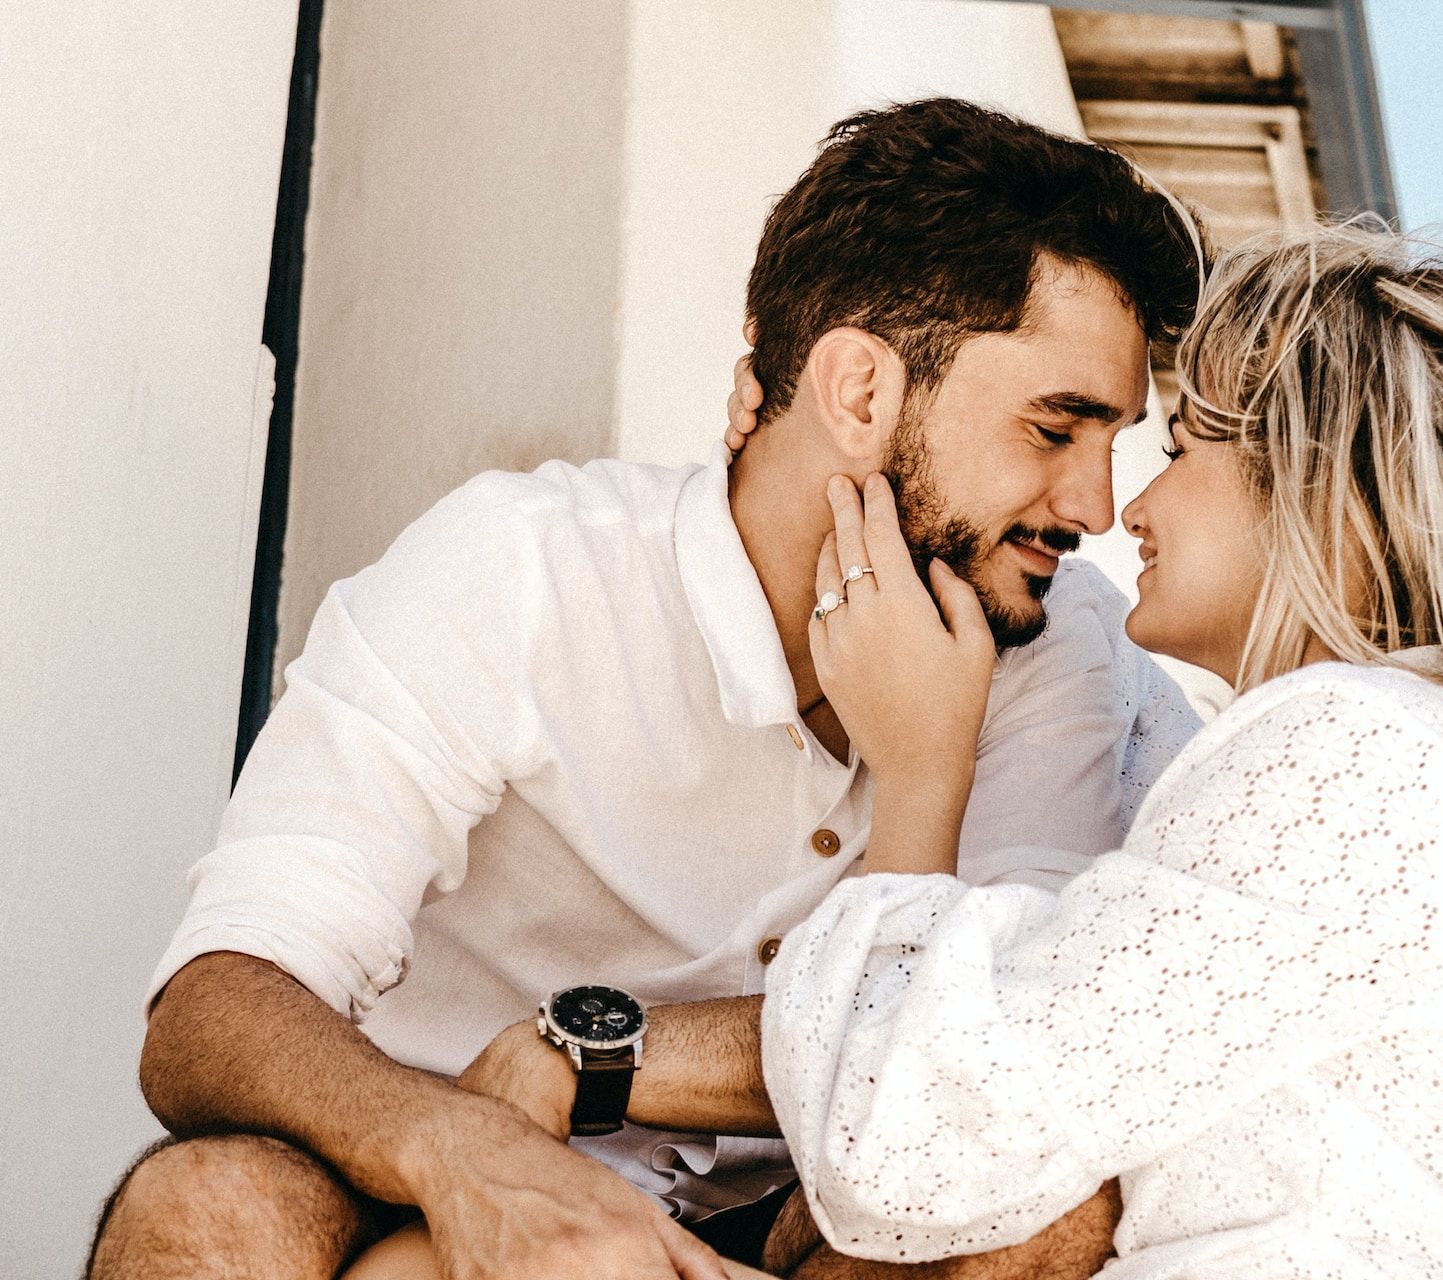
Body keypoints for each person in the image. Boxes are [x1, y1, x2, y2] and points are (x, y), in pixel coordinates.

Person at [88, 97, 1203, 1280]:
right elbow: (218, 999)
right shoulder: (521, 569)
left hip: (795, 1222)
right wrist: (462, 1155)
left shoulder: (1049, 633)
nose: (1093, 506)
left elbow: (991, 1042)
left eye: (1118, 441)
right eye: (1056, 428)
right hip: (426, 1176)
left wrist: (592, 1054)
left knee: (1041, 1210)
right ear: (862, 393)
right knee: (209, 1207)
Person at [403, 220, 1443, 1279]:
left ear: (1332, 491)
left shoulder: (1352, 756)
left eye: (1184, 447)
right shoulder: (1412, 765)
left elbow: (915, 1141)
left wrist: (918, 768)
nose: (1124, 511)